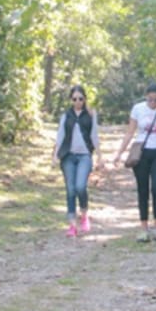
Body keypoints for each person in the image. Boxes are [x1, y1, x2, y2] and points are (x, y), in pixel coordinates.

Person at [113, 82, 156, 244]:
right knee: (143, 190)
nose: (153, 102)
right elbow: (130, 132)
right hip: (141, 153)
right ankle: (144, 228)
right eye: (150, 99)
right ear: (146, 97)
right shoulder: (138, 109)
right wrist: (119, 153)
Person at [52, 85, 101, 237]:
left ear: (84, 99)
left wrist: (100, 155)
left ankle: (84, 215)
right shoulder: (66, 116)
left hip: (84, 155)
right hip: (68, 155)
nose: (78, 101)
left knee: (80, 187)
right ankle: (72, 224)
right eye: (74, 99)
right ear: (71, 100)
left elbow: (94, 136)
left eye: (80, 98)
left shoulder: (91, 114)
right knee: (70, 189)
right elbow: (60, 135)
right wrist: (55, 154)